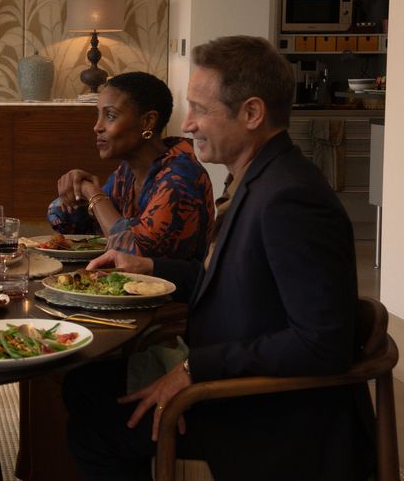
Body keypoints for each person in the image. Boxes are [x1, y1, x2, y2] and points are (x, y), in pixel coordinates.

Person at [64, 37, 374, 481]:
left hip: (273, 415)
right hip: (237, 388)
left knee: (95, 435)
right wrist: (150, 267)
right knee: (86, 384)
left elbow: (321, 343)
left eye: (199, 109)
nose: (187, 125)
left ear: (251, 113)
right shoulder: (257, 179)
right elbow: (236, 280)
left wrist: (194, 370)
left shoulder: (292, 199)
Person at [49, 71, 214, 260]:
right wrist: (76, 191)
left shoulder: (181, 179)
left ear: (147, 122)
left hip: (174, 289)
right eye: (98, 115)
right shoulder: (127, 173)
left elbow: (130, 251)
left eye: (110, 116)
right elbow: (67, 223)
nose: (97, 127)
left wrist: (93, 194)